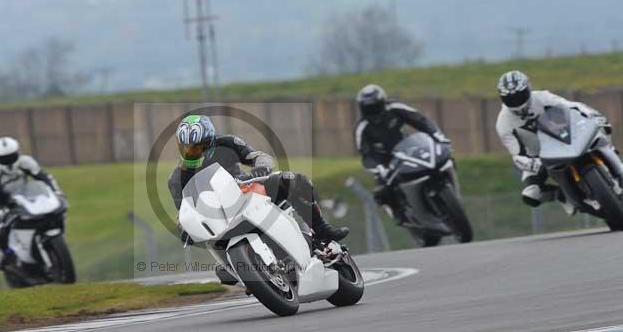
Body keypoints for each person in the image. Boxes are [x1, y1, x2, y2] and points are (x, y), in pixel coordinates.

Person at [167, 114, 349, 245]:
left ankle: (322, 230)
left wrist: (260, 166)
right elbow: (184, 212)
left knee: (296, 180)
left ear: (212, 140)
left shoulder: (229, 143)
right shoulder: (176, 179)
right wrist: (185, 229)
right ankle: (238, 266)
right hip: (221, 218)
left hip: (248, 190)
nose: (196, 152)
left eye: (201, 146)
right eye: (190, 148)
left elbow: (258, 155)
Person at [496, 70, 622, 215]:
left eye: (520, 96)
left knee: (600, 136)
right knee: (530, 195)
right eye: (511, 99)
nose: (517, 102)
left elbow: (572, 106)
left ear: (528, 88)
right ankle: (561, 195)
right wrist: (532, 164)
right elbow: (516, 155)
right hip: (539, 157)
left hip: (564, 137)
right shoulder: (503, 123)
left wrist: (594, 116)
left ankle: (618, 167)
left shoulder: (542, 97)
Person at [353, 84, 450, 223]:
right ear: (362, 108)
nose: (373, 111)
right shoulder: (361, 128)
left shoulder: (395, 108)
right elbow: (365, 155)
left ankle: (444, 187)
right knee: (381, 192)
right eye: (368, 108)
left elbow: (420, 120)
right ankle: (400, 215)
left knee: (440, 160)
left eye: (375, 106)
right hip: (384, 162)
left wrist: (437, 136)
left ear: (383, 102)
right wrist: (379, 168)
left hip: (408, 148)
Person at [0, 136, 63, 266]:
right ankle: (4, 254)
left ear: (17, 152)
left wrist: (57, 191)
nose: (8, 161)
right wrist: (0, 212)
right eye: (3, 159)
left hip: (23, 198)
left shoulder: (26, 162)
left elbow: (44, 177)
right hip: (2, 205)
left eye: (10, 156)